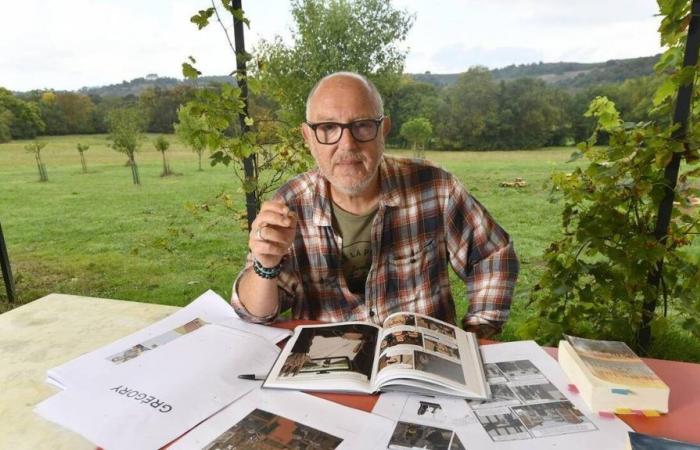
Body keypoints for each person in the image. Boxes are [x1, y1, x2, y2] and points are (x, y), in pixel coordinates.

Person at [231, 71, 518, 338]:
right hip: (328, 370)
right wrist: (265, 265)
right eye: (329, 128)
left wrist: (476, 335)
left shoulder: (436, 188)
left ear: (384, 130)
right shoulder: (291, 203)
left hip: (423, 366)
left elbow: (493, 255)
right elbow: (255, 315)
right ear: (308, 137)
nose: (347, 145)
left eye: (362, 126)